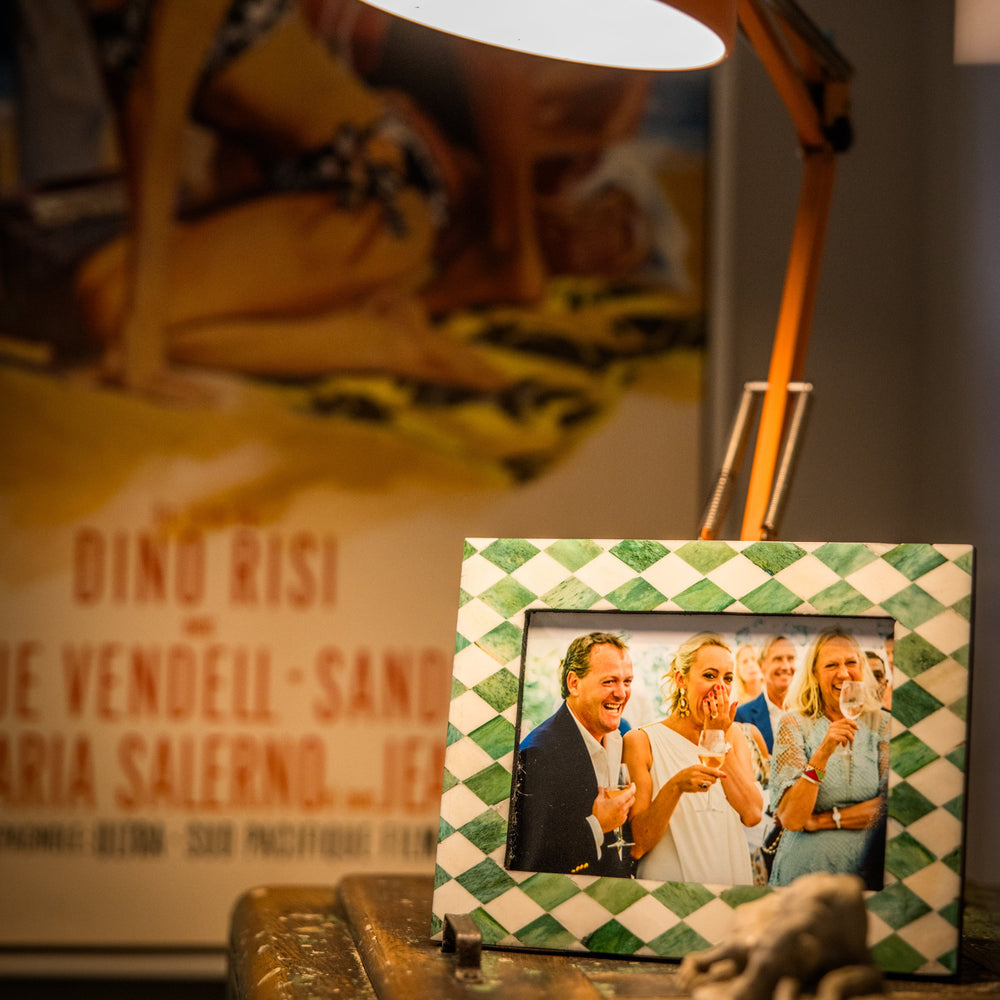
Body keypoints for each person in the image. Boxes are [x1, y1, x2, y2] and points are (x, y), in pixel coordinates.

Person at [622, 633, 762, 885]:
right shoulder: (641, 741)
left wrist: (718, 737)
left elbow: (752, 814)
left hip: (729, 884)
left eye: (727, 678)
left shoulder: (734, 736)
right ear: (681, 679)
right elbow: (638, 844)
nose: (720, 687)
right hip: (669, 890)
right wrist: (675, 786)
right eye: (709, 675)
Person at [767, 628, 889, 890]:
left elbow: (888, 809)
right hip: (803, 878)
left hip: (865, 876)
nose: (843, 673)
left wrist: (823, 820)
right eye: (831, 665)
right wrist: (822, 753)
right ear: (814, 673)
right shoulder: (794, 723)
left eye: (850, 662)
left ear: (861, 667)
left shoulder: (883, 724)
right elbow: (792, 819)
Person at [507, 632, 636, 877]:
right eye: (609, 681)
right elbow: (528, 863)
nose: (621, 693)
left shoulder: (617, 738)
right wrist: (598, 825)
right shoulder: (537, 753)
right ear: (574, 683)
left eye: (627, 681)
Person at [735, 635, 797, 754]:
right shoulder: (742, 716)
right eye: (778, 659)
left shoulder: (810, 710)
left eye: (790, 658)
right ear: (761, 665)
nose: (786, 666)